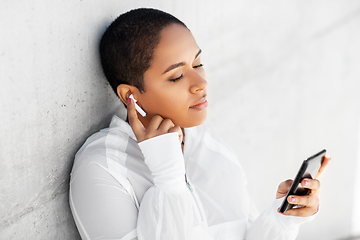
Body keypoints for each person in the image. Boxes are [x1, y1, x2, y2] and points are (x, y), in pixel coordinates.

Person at [69, 8, 331, 240]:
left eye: (198, 63)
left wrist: (281, 221)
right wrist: (168, 179)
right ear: (131, 96)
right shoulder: (103, 167)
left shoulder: (209, 148)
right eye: (177, 76)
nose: (201, 83)